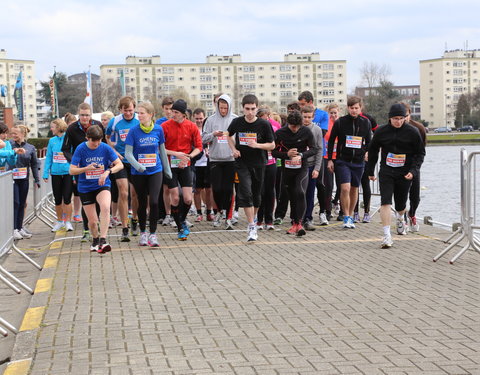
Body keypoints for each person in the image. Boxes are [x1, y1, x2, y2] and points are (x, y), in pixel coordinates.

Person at [367, 103, 425, 248]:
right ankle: (386, 235)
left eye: (401, 118)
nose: (398, 121)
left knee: (400, 204)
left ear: (405, 118)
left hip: (404, 172)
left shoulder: (412, 131)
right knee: (385, 201)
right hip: (387, 170)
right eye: (395, 119)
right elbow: (373, 150)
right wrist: (370, 171)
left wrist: (413, 171)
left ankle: (400, 218)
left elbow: (420, 153)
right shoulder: (381, 131)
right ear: (389, 119)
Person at [227, 94, 275, 242]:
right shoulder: (237, 122)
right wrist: (234, 149)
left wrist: (258, 145)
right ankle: (251, 225)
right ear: (242, 108)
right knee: (246, 192)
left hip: (259, 163)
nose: (250, 112)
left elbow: (272, 145)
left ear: (257, 108)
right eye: (247, 109)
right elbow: (228, 135)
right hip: (242, 163)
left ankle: (253, 219)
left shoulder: (264, 124)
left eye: (253, 109)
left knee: (256, 195)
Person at [70, 125, 123, 253]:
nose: (97, 143)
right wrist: (86, 168)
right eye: (94, 140)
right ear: (87, 138)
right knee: (93, 222)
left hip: (102, 184)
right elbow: (71, 170)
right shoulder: (81, 148)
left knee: (105, 207)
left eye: (99, 140)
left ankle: (103, 240)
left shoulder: (104, 147)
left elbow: (119, 165)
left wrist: (107, 172)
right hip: (85, 187)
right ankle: (95, 239)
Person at [125, 102, 172, 247]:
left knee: (154, 202)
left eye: (142, 113)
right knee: (142, 202)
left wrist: (167, 169)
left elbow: (162, 151)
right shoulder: (133, 131)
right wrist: (138, 166)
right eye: (138, 113)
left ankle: (153, 234)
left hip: (155, 170)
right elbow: (127, 153)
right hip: (138, 173)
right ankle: (143, 233)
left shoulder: (158, 129)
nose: (139, 116)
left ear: (150, 115)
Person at [327, 96, 371, 229]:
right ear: (348, 108)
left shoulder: (365, 122)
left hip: (358, 161)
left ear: (360, 108)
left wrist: (368, 152)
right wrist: (330, 159)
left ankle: (351, 215)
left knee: (354, 189)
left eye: (356, 108)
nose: (354, 111)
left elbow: (369, 142)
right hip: (342, 160)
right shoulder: (340, 122)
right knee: (345, 187)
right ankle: (345, 216)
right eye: (351, 108)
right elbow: (331, 140)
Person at [62, 103, 104, 241]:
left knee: (98, 199)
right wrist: (75, 162)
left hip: (97, 167)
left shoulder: (98, 125)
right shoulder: (72, 128)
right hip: (82, 170)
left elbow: (105, 145)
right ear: (78, 115)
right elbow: (65, 148)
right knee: (87, 200)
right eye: (82, 115)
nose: (84, 118)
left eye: (87, 115)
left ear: (90, 115)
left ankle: (95, 225)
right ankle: (86, 229)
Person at [271, 110, 318, 236]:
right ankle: (294, 223)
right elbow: (273, 152)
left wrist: (301, 155)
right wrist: (286, 154)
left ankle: (299, 223)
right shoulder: (280, 133)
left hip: (302, 168)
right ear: (288, 124)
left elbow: (314, 149)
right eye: (292, 126)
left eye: (297, 127)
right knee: (291, 196)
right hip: (287, 169)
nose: (295, 129)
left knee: (300, 192)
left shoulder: (306, 131)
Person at [162, 99, 203, 241]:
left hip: (185, 165)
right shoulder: (165, 126)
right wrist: (174, 154)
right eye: (172, 111)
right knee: (175, 197)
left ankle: (182, 219)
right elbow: (160, 148)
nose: (172, 114)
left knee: (187, 198)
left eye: (176, 112)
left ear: (183, 114)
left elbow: (199, 147)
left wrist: (189, 157)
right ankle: (180, 227)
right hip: (170, 166)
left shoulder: (191, 127)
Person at [106, 96, 140, 242]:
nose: (128, 113)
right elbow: (107, 137)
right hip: (121, 161)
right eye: (125, 111)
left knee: (135, 194)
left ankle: (135, 219)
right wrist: (114, 151)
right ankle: (125, 227)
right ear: (120, 110)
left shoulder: (140, 119)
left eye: (130, 110)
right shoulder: (114, 121)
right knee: (123, 191)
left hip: (135, 161)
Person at [202, 94, 238, 229]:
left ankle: (228, 218)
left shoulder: (235, 119)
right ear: (217, 106)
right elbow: (203, 139)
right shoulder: (210, 120)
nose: (223, 111)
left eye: (225, 108)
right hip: (215, 159)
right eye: (221, 108)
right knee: (216, 189)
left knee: (228, 189)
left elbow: (239, 138)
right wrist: (213, 135)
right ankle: (219, 212)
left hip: (230, 159)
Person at [43, 118, 74, 232]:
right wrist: (46, 173)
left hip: (67, 172)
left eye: (52, 127)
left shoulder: (68, 138)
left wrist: (74, 174)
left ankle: (68, 221)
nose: (51, 129)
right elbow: (49, 157)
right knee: (57, 199)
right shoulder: (52, 141)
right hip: (55, 173)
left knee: (67, 199)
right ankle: (60, 221)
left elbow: (73, 156)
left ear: (59, 127)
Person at [9, 125, 39, 240]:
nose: (13, 135)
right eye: (12, 133)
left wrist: (37, 179)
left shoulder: (30, 147)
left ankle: (19, 227)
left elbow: (34, 164)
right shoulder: (9, 145)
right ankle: (14, 229)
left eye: (15, 133)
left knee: (22, 203)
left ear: (22, 134)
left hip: (24, 179)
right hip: (12, 179)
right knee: (15, 202)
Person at [402, 102, 427, 232]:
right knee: (401, 194)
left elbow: (422, 149)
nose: (403, 119)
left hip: (414, 165)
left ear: (409, 115)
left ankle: (412, 213)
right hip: (399, 165)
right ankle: (402, 219)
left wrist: (416, 165)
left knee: (415, 195)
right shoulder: (394, 128)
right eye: (400, 116)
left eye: (405, 116)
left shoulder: (419, 128)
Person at [256, 106, 281, 231]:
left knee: (270, 191)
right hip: (259, 163)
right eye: (261, 117)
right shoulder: (255, 125)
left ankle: (269, 220)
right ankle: (259, 220)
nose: (264, 119)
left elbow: (279, 143)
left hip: (272, 162)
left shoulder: (275, 125)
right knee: (260, 191)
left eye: (265, 116)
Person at [300, 105, 323, 231]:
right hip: (299, 165)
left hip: (312, 165)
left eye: (309, 117)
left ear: (313, 117)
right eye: (304, 117)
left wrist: (317, 168)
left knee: (310, 193)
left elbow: (319, 149)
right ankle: (298, 218)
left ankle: (308, 218)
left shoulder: (317, 130)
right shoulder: (297, 128)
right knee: (298, 192)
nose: (306, 119)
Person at [317, 103, 340, 225]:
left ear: (339, 112)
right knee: (328, 184)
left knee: (342, 184)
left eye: (335, 113)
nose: (333, 115)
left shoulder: (341, 123)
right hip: (328, 156)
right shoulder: (327, 124)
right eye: (331, 113)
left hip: (340, 157)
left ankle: (336, 202)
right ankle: (328, 210)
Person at [192, 108, 214, 223]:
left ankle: (209, 212)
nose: (199, 120)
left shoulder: (208, 128)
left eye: (201, 118)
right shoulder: (192, 129)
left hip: (208, 163)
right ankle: (198, 213)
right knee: (197, 190)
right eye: (197, 119)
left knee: (209, 189)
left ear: (204, 117)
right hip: (196, 163)